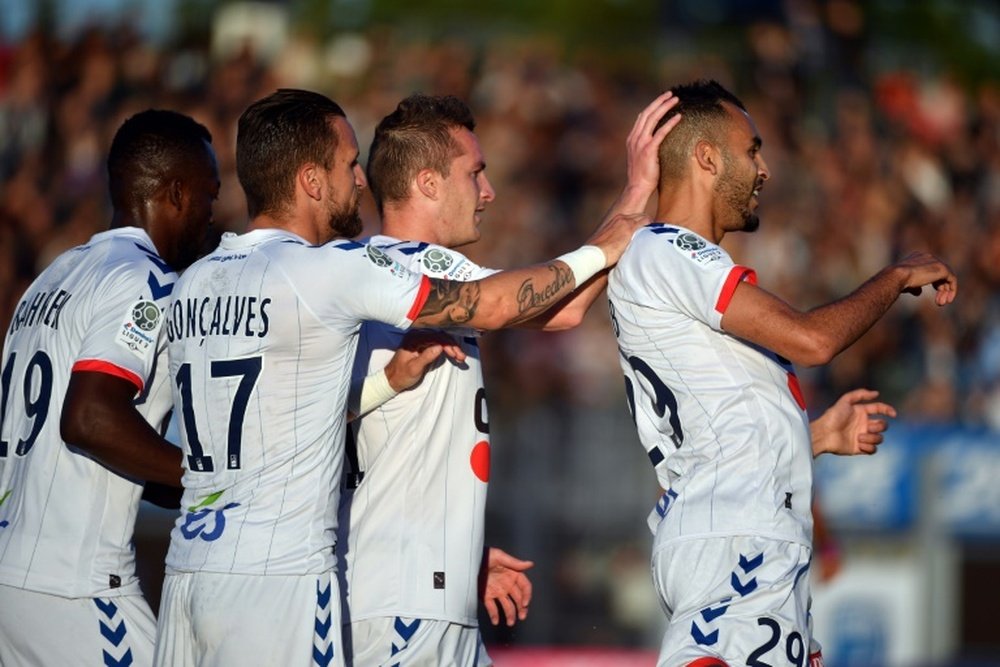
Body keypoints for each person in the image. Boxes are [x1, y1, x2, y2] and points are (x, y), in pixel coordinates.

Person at [152, 88, 648, 667]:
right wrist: (621, 223)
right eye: (347, 166)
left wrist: (391, 383)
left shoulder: (195, 282)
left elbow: (299, 424)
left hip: (193, 567)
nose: (358, 181)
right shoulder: (339, 272)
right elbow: (520, 306)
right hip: (323, 583)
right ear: (312, 180)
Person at [606, 79, 957, 666]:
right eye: (752, 150)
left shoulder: (676, 266)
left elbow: (719, 426)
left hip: (737, 529)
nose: (764, 168)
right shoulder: (669, 250)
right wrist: (895, 277)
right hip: (737, 535)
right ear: (707, 158)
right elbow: (813, 340)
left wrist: (813, 436)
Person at [336, 91, 679, 666]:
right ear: (426, 183)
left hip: (432, 589)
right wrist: (624, 215)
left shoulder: (389, 274)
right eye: (474, 173)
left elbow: (561, 306)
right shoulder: (406, 268)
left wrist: (636, 196)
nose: (488, 192)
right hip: (397, 598)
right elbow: (540, 304)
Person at [0, 109, 220, 667]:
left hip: (14, 576)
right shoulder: (146, 281)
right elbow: (89, 419)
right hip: (76, 584)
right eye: (208, 194)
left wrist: (172, 480)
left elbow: (80, 440)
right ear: (175, 193)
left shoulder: (55, 275)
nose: (214, 212)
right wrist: (211, 480)